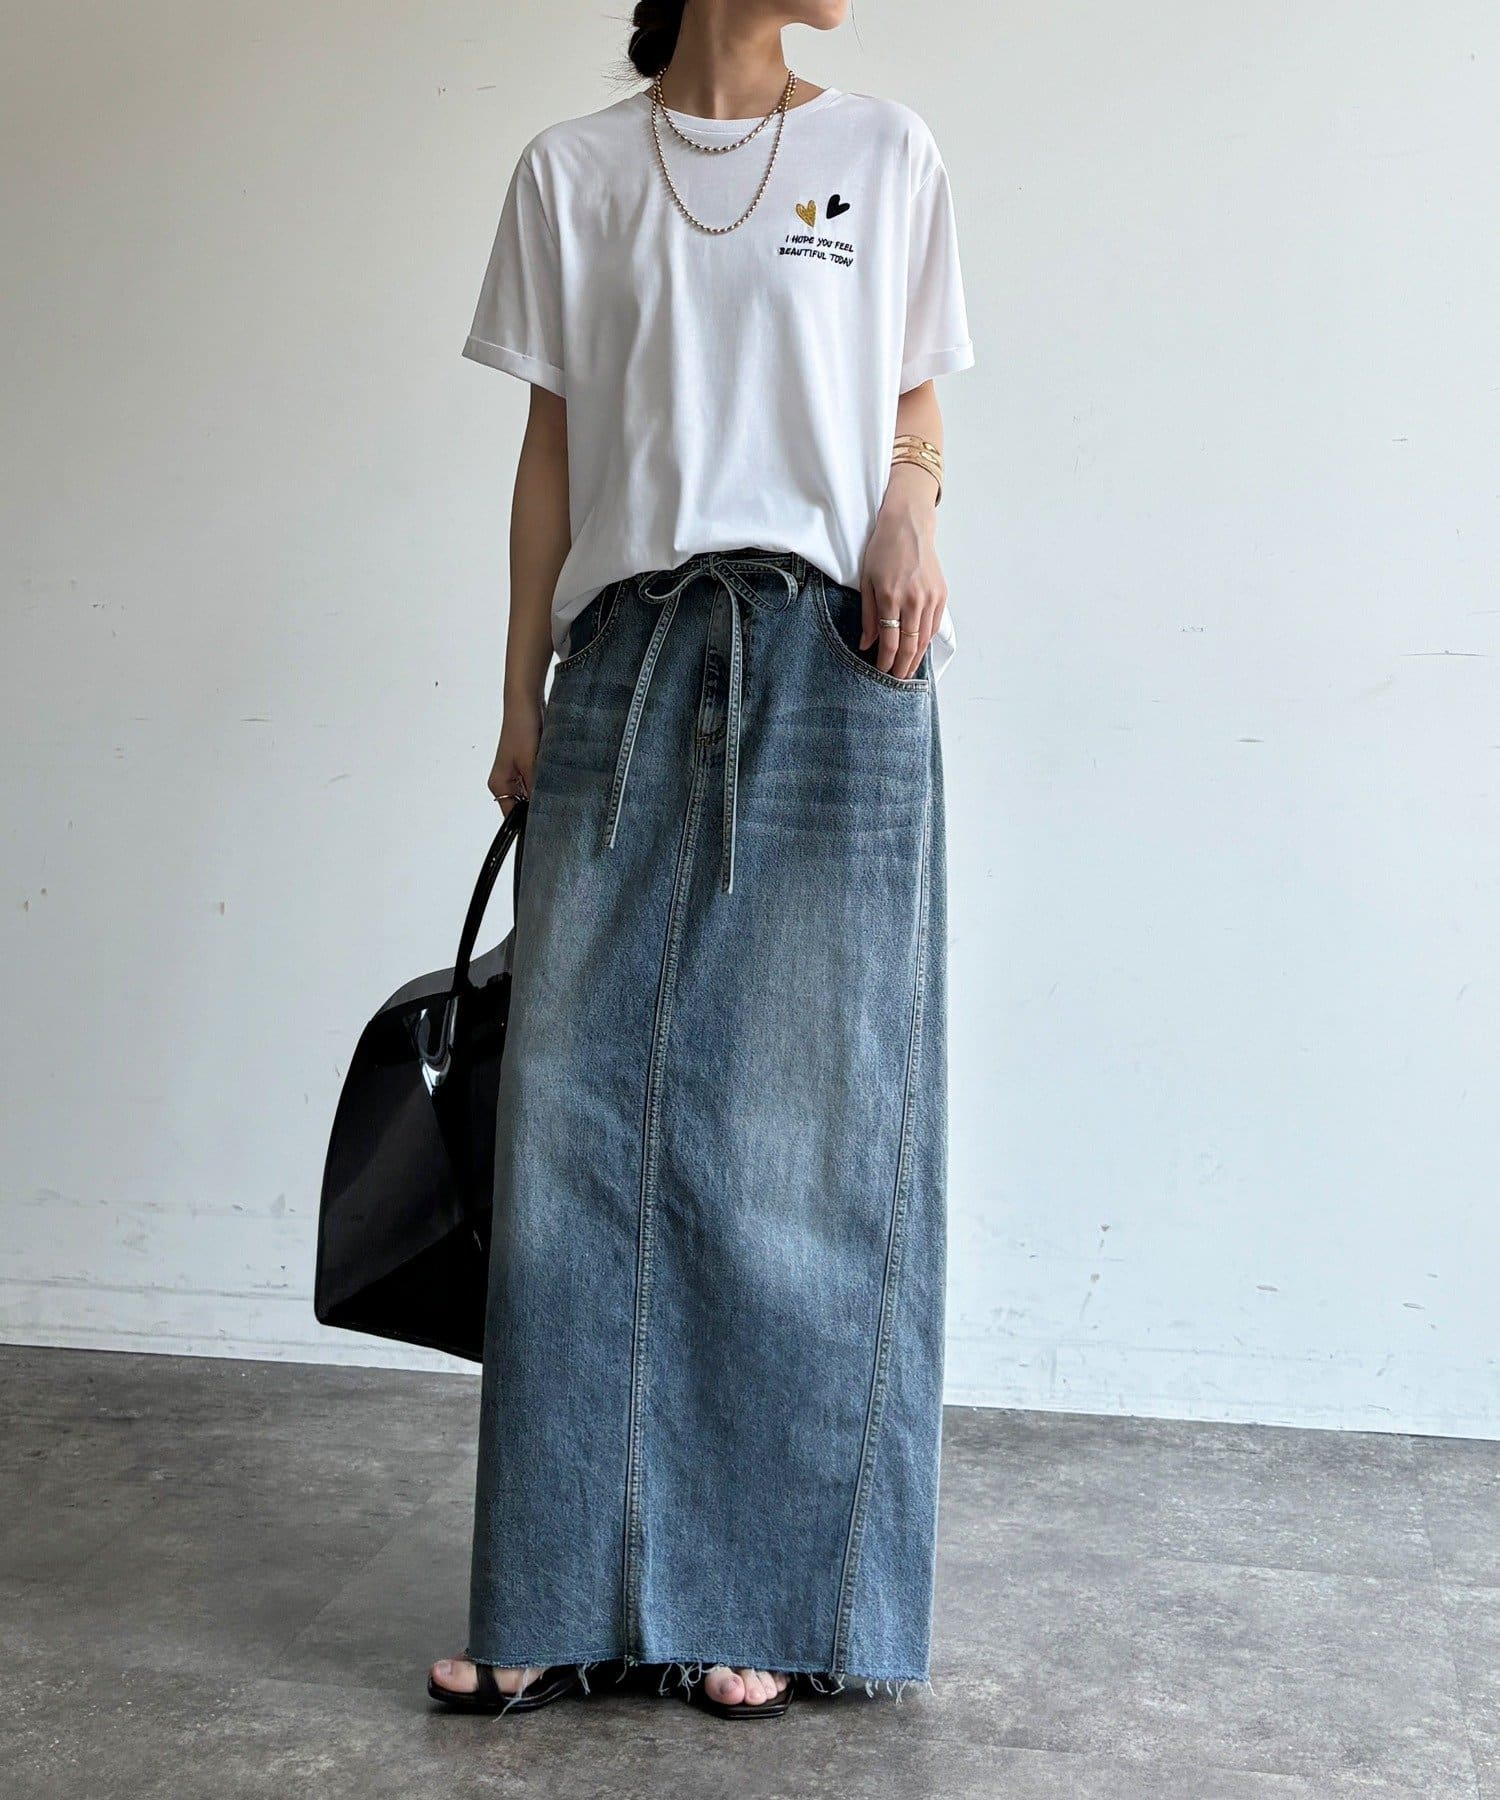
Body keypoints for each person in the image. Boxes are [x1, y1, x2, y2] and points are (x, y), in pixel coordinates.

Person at [428, 0, 973, 1722]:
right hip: (629, 657)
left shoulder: (883, 151)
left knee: (803, 1140)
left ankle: (768, 1595)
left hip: (836, 661)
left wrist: (912, 503)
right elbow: (552, 450)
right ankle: (546, 1593)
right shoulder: (572, 173)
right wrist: (519, 688)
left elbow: (912, 397)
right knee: (571, 1125)